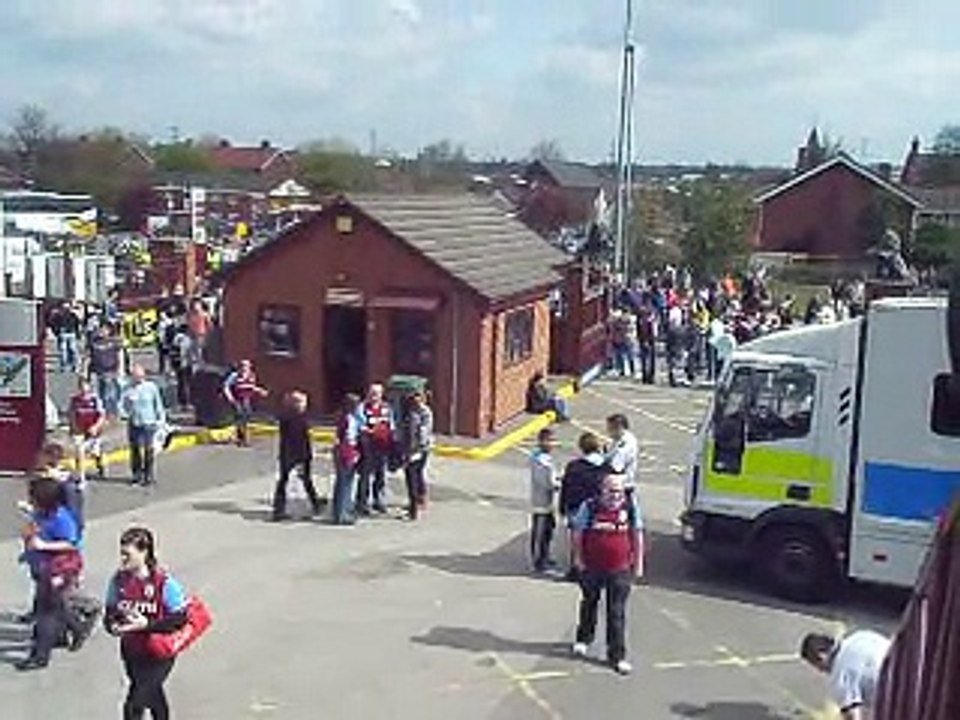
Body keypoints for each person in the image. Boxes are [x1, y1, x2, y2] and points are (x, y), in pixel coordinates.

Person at [105, 527, 189, 720]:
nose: (123, 559)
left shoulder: (164, 584)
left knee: (134, 704)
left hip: (159, 653)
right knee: (151, 692)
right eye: (122, 554)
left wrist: (147, 625)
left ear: (144, 552)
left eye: (127, 554)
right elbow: (110, 613)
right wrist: (113, 626)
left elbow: (180, 619)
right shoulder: (118, 581)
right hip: (132, 652)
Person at [570, 474, 644, 676]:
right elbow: (578, 533)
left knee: (616, 613)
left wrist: (638, 564)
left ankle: (617, 656)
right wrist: (578, 559)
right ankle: (583, 639)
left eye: (619, 491)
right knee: (589, 603)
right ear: (602, 490)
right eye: (611, 491)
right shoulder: (590, 507)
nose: (616, 495)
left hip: (620, 570)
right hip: (592, 567)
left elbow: (637, 535)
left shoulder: (630, 508)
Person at [15, 476, 85, 671]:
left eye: (33, 497)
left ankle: (40, 655)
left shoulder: (61, 519)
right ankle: (76, 628)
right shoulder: (40, 514)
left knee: (46, 613)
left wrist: (43, 546)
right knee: (55, 607)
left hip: (58, 571)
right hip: (42, 568)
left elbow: (71, 543)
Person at [801, 630, 892, 719]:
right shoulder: (860, 636)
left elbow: (853, 715)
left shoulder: (839, 676)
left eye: (816, 665)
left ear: (821, 656)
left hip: (894, 694)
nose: (820, 671)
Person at [559, 432, 608, 579]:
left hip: (576, 508)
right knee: (595, 539)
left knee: (577, 540)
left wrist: (563, 507)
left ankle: (576, 569)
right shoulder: (605, 467)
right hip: (597, 510)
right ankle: (595, 570)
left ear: (582, 448)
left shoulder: (574, 467)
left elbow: (566, 488)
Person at [272, 391, 322, 522]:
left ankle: (279, 510)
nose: (306, 404)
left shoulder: (288, 416)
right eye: (304, 402)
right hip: (296, 454)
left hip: (288, 453)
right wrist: (304, 456)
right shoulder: (296, 418)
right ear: (297, 403)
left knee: (286, 481)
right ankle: (311, 505)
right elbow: (299, 439)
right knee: (298, 480)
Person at [121, 365, 166, 486]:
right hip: (134, 422)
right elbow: (122, 405)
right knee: (135, 449)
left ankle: (149, 475)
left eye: (140, 376)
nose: (138, 379)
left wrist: (161, 420)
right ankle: (137, 475)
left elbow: (158, 404)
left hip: (149, 422)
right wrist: (126, 412)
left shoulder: (151, 387)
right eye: (135, 377)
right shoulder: (127, 389)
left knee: (149, 449)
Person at [357, 383, 394, 515]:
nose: (374, 396)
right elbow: (359, 425)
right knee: (366, 476)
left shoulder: (387, 408)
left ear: (381, 395)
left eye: (377, 393)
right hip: (368, 446)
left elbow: (391, 424)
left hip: (383, 446)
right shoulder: (362, 408)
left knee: (381, 475)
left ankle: (379, 501)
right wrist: (370, 430)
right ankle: (362, 502)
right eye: (372, 393)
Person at [529, 428, 559, 573]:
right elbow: (546, 483)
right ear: (541, 442)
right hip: (541, 503)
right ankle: (538, 561)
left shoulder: (544, 458)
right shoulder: (540, 461)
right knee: (540, 533)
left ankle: (545, 556)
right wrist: (557, 485)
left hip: (548, 503)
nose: (552, 444)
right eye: (549, 441)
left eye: (553, 440)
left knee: (548, 531)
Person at [402, 391, 434, 521]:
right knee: (417, 474)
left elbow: (422, 432)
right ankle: (419, 500)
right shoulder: (415, 411)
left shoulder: (420, 413)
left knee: (412, 478)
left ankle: (413, 508)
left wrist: (414, 450)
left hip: (417, 450)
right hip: (419, 449)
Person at [331, 394, 362, 525]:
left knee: (346, 482)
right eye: (356, 404)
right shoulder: (346, 418)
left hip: (347, 450)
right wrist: (350, 454)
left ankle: (345, 510)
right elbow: (345, 438)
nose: (358, 407)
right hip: (345, 451)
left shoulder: (349, 417)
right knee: (343, 483)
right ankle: (340, 514)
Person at [68, 377, 107, 482]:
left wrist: (96, 426)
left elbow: (102, 415)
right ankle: (81, 476)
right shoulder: (75, 400)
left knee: (95, 452)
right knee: (79, 451)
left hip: (93, 431)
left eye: (85, 386)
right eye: (81, 386)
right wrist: (73, 428)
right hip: (79, 430)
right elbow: (71, 414)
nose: (83, 388)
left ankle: (100, 464)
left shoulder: (95, 400)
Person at [223, 359, 268, 447]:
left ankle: (243, 438)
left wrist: (260, 391)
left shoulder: (252, 375)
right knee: (240, 417)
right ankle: (242, 438)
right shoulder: (235, 375)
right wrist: (230, 397)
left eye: (246, 366)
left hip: (247, 399)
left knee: (246, 418)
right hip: (237, 399)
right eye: (243, 365)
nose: (244, 367)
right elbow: (226, 386)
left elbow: (251, 387)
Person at [89, 324, 124, 418]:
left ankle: (113, 412)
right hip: (97, 371)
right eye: (100, 329)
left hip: (111, 370)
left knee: (111, 393)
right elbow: (88, 356)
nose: (102, 331)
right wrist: (85, 371)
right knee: (99, 394)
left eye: (104, 329)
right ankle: (102, 413)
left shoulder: (114, 341)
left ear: (109, 331)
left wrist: (121, 370)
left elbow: (121, 355)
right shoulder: (94, 342)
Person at [605, 414, 639, 498]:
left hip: (622, 486)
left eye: (610, 429)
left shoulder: (625, 444)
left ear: (619, 428)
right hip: (620, 483)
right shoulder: (617, 440)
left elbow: (616, 467)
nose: (608, 431)